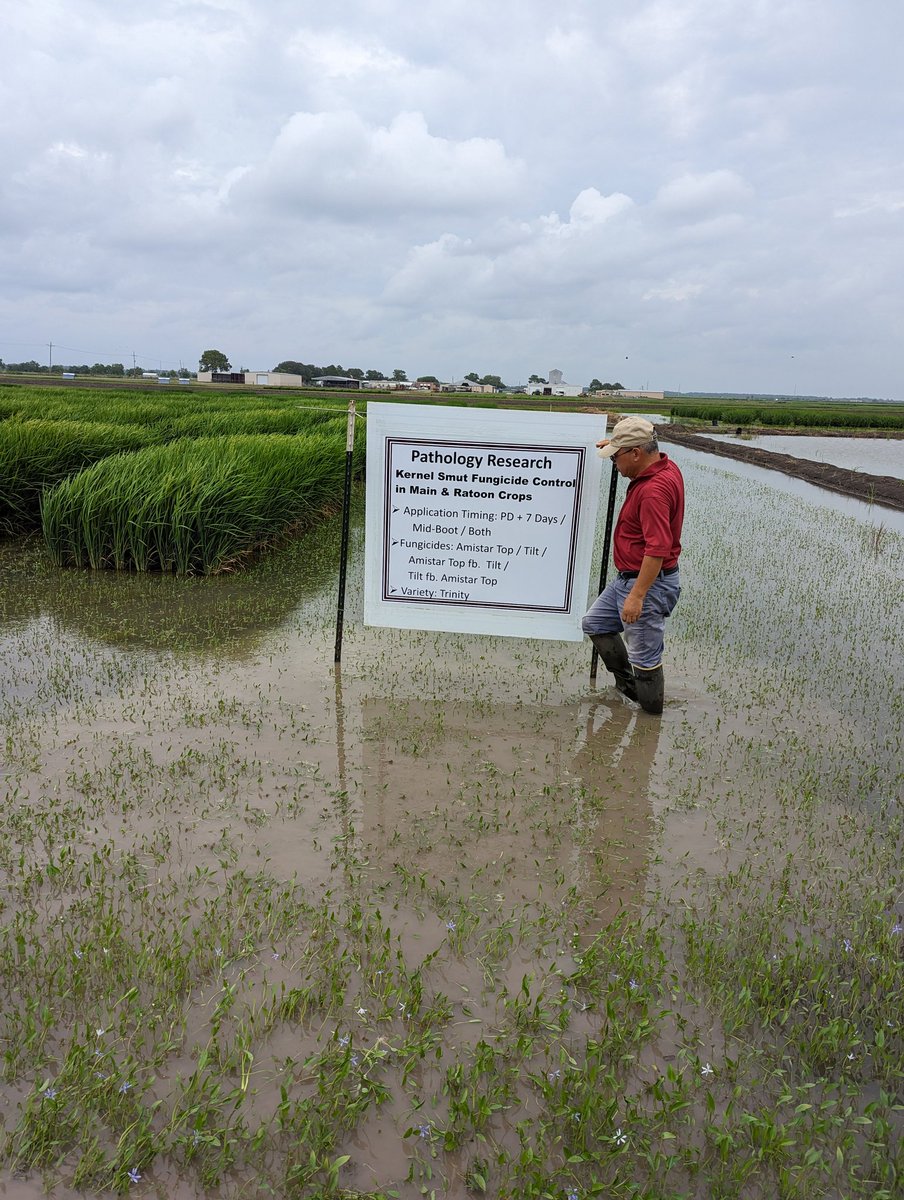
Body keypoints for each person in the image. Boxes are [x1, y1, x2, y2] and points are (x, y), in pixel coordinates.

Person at [582, 416, 684, 714]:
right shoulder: (663, 464)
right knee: (595, 623)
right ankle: (628, 691)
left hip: (647, 583)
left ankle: (649, 718)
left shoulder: (652, 491)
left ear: (637, 453)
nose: (615, 463)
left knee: (645, 656)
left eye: (617, 457)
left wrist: (637, 596)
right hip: (626, 579)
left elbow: (658, 549)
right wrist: (616, 445)